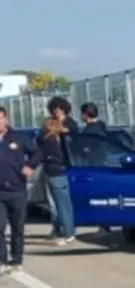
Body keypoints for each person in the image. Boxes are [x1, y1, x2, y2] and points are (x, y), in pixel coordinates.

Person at [0, 108, 36, 275]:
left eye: (1, 118)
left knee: (17, 227)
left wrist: (30, 166)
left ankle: (16, 259)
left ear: (6, 119)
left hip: (17, 190)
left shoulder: (19, 138)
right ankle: (2, 259)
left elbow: (37, 153)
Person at [37, 112, 77, 244]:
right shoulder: (62, 138)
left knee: (59, 205)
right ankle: (70, 231)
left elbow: (41, 155)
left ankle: (66, 233)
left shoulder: (48, 140)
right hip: (63, 172)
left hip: (53, 172)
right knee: (66, 204)